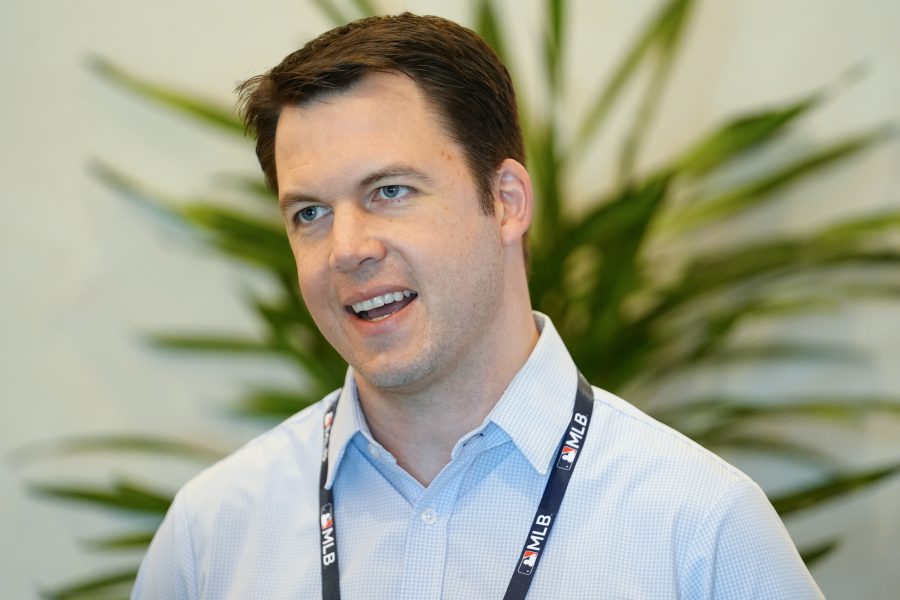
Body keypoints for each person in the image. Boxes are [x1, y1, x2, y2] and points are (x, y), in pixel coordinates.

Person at [133, 13, 823, 599]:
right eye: (310, 212)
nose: (345, 248)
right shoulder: (210, 536)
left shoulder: (700, 529)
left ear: (508, 203)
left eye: (390, 192)